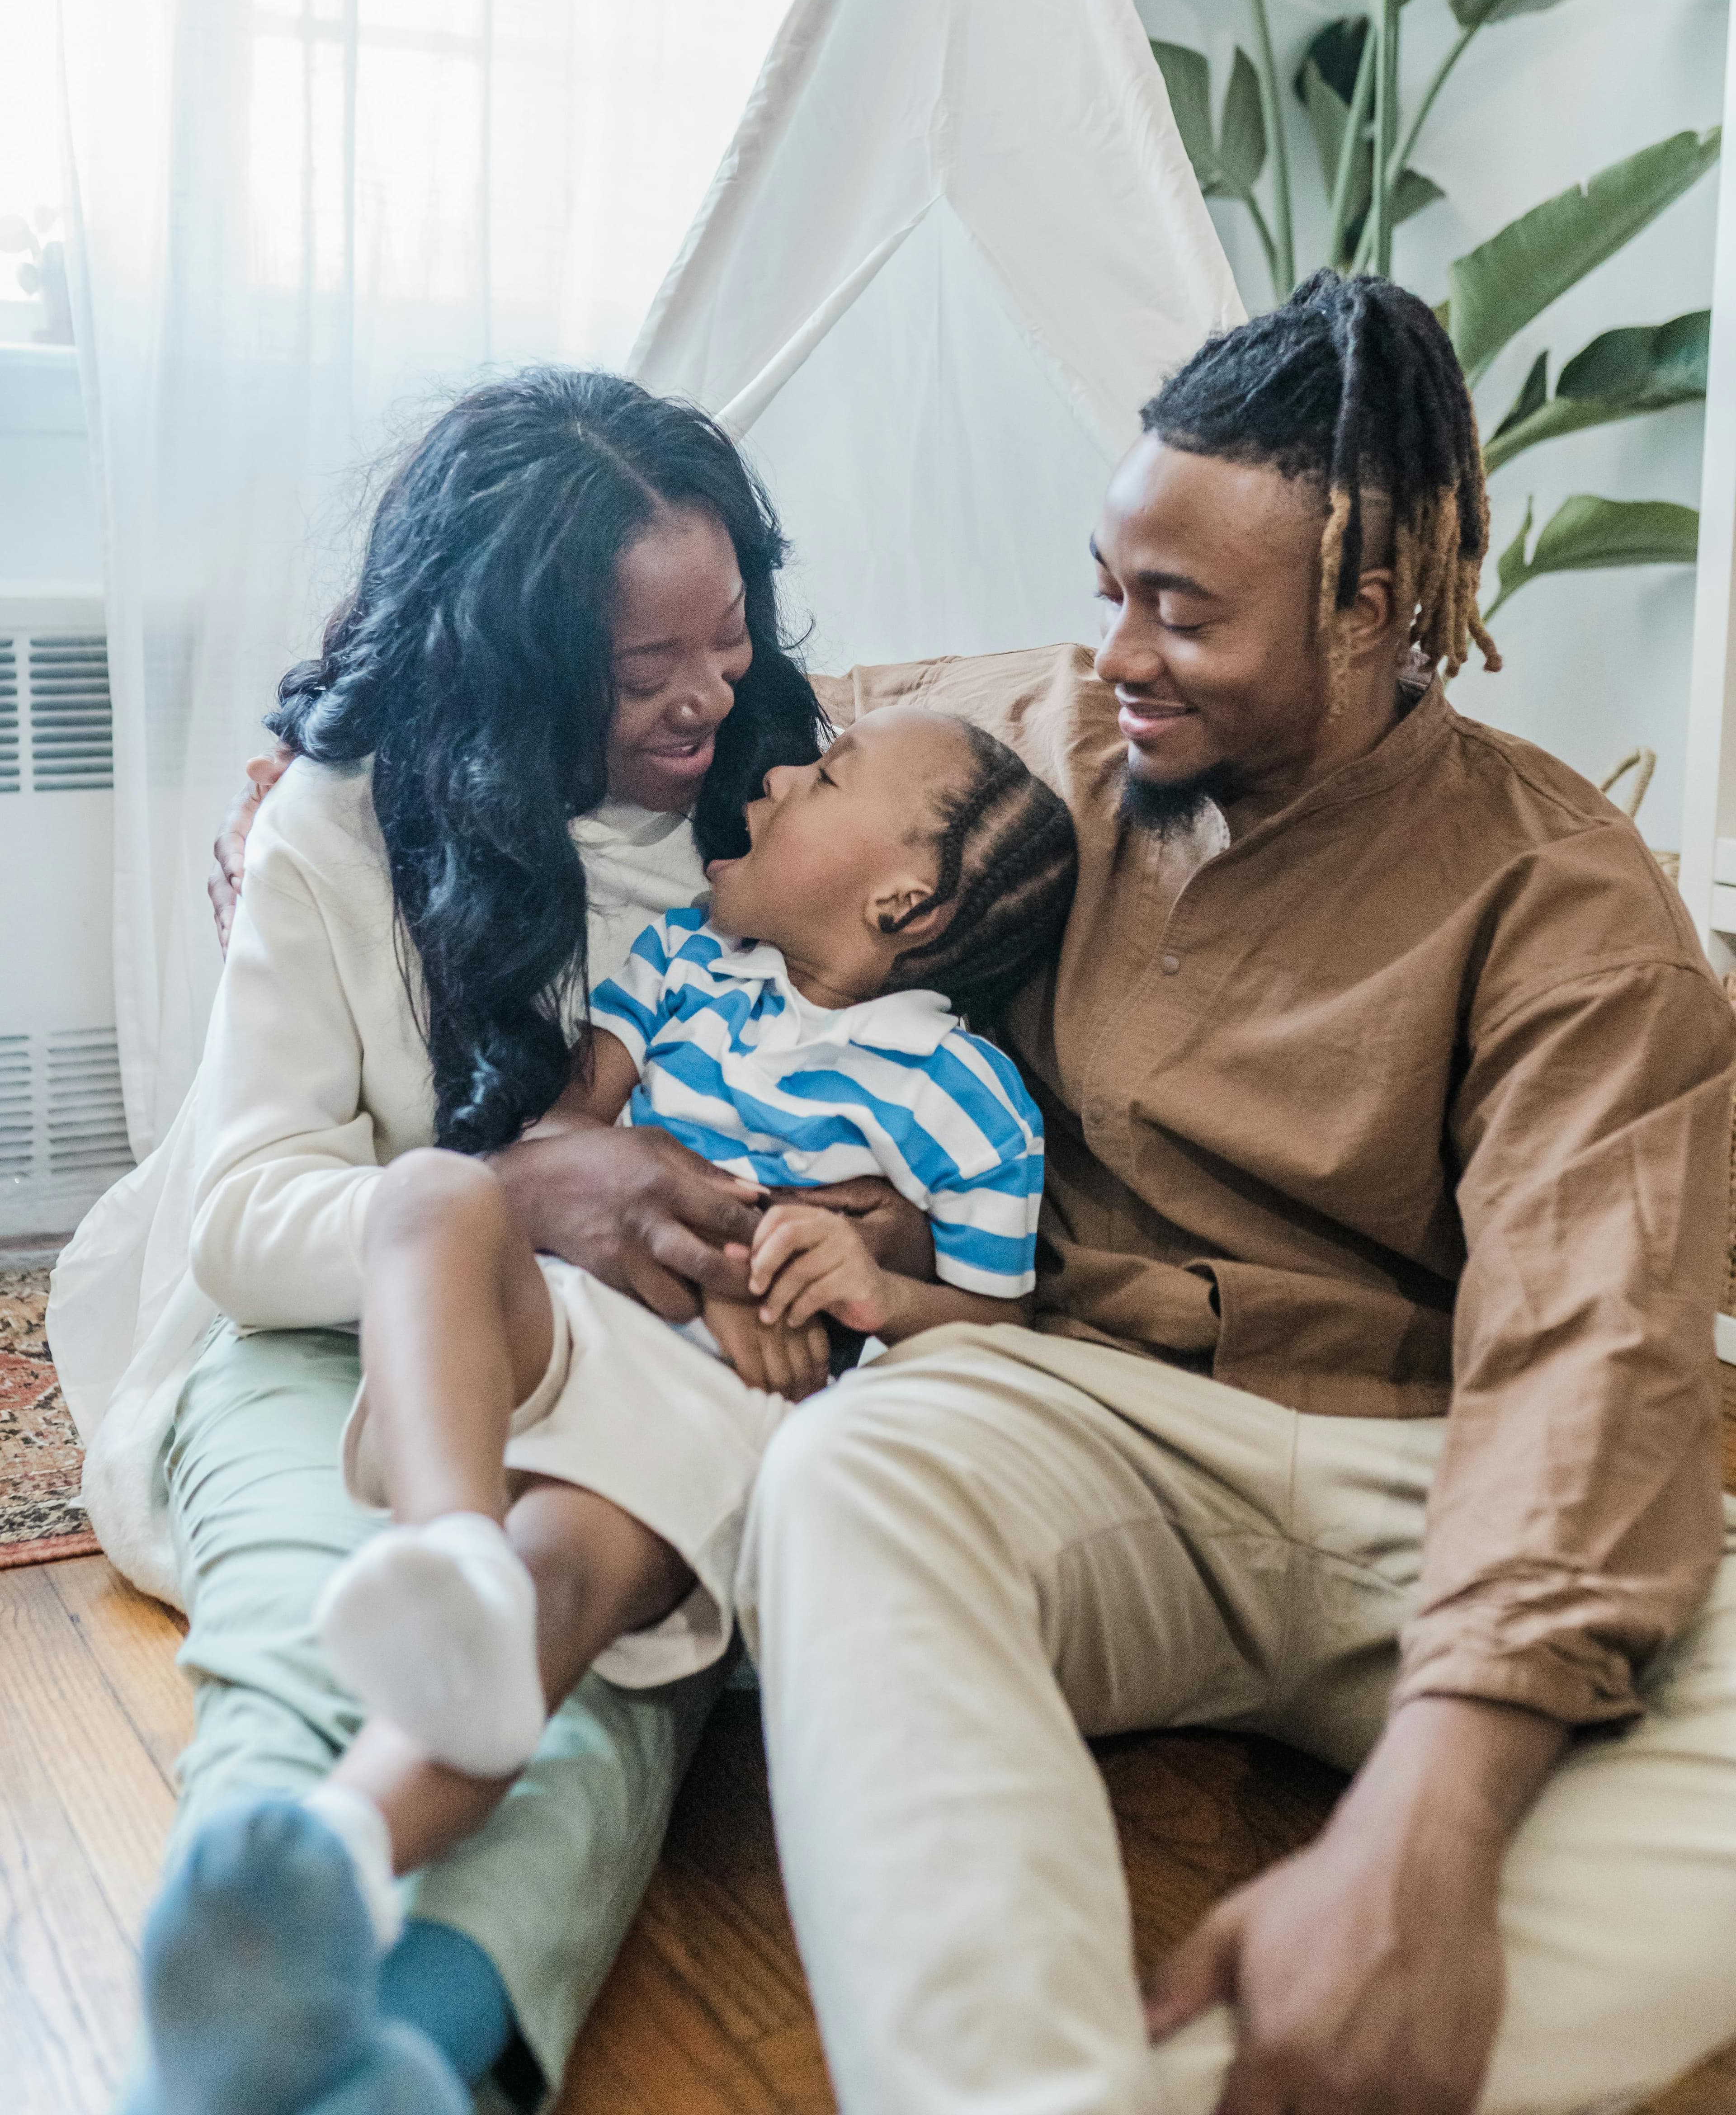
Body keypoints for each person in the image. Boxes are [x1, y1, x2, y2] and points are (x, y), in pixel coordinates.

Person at [209, 273, 1736, 2115]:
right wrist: (357, 761)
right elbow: (729, 711)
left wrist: (1430, 1814)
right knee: (847, 1476)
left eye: (1183, 612)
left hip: (1430, 1465)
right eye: (1109, 588)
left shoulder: (1568, 909)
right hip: (1085, 1426)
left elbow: (1594, 1364)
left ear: (1374, 607)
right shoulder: (1057, 735)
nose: (1117, 654)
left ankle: (1205, 2071)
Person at [53, 366, 935, 2115]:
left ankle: (402, 2065)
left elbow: (908, 1110)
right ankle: (230, 2016)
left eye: (731, 637)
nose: (706, 700)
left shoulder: (786, 827)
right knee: (324, 1636)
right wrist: (526, 1194)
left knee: (597, 1706)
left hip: (649, 1387)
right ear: (512, 664)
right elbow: (242, 1215)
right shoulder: (342, 822)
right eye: (640, 672)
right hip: (340, 1333)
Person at [305, 707, 1071, 1915]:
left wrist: (874, 1289)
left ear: (901, 902)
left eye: (824, 781)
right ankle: (446, 1548)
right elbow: (558, 1136)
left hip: (715, 1400)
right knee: (429, 1197)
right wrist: (660, 1175)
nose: (772, 777)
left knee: (546, 1603)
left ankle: (340, 1846)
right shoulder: (682, 960)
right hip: (566, 1308)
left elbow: (999, 1330)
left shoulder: (968, 1101)